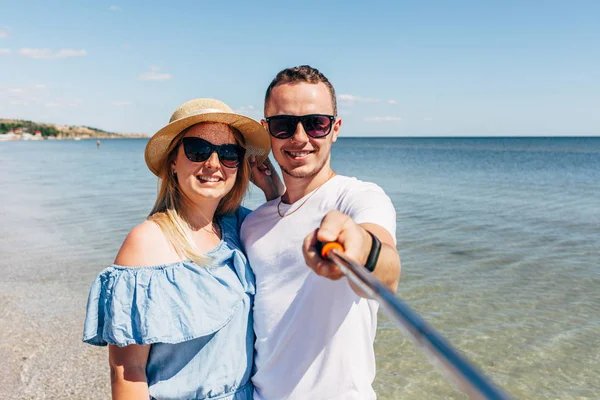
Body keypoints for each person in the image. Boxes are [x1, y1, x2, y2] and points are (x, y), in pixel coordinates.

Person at [82, 98, 280, 400]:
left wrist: (274, 193)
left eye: (229, 154)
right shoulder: (146, 243)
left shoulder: (241, 227)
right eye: (198, 150)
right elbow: (127, 371)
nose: (213, 164)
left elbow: (291, 259)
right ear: (173, 161)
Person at [241, 65, 402, 400]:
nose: (300, 137)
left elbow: (386, 274)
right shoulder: (254, 223)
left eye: (316, 123)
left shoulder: (359, 197)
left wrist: (357, 246)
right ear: (267, 130)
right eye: (284, 125)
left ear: (335, 128)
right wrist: (274, 196)